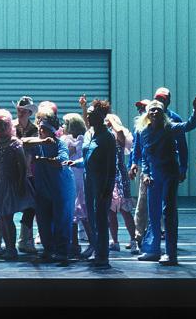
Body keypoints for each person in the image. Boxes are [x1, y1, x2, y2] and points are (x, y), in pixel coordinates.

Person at [137, 96, 196, 266]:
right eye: (152, 109)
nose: (155, 111)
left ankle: (170, 253)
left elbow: (189, 125)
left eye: (158, 109)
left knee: (168, 212)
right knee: (153, 213)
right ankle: (153, 249)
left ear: (163, 113)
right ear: (147, 114)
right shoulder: (144, 132)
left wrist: (195, 110)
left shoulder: (170, 128)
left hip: (169, 174)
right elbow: (145, 156)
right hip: (154, 177)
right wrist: (145, 173)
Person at [22, 107, 75, 265]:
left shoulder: (60, 144)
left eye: (43, 129)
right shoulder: (38, 144)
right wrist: (41, 141)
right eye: (39, 128)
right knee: (43, 221)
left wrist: (41, 160)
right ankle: (48, 250)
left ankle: (62, 251)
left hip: (61, 188)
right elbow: (22, 142)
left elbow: (61, 162)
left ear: (51, 131)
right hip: (42, 187)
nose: (40, 131)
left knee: (61, 220)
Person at [0, 109, 34, 260]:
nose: (2, 128)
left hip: (13, 183)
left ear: (9, 126)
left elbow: (23, 165)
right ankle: (9, 247)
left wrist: (21, 182)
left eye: (5, 125)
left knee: (7, 217)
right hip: (0, 183)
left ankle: (12, 248)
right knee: (3, 218)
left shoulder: (14, 143)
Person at [82, 100, 117, 268]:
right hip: (88, 179)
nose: (88, 117)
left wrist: (107, 188)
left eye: (91, 115)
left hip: (101, 182)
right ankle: (97, 251)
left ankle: (103, 255)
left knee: (101, 219)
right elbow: (87, 156)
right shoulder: (90, 134)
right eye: (88, 115)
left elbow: (111, 165)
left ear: (101, 116)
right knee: (92, 218)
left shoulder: (107, 137)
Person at [105, 112, 137, 252]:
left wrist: (111, 119)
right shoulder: (105, 136)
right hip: (108, 175)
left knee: (125, 210)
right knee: (111, 211)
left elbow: (119, 131)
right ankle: (115, 241)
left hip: (120, 176)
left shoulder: (119, 137)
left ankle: (133, 240)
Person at [11, 96, 39, 254]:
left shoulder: (35, 129)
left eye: (24, 110)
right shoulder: (10, 126)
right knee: (6, 205)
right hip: (11, 171)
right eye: (19, 110)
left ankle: (24, 239)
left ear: (29, 112)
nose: (20, 112)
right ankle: (0, 240)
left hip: (28, 172)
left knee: (30, 207)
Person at [60, 113, 91, 258]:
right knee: (72, 213)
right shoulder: (67, 139)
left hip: (78, 179)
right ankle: (74, 244)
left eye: (65, 124)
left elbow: (70, 153)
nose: (63, 126)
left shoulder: (80, 140)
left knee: (82, 212)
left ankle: (92, 242)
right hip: (70, 177)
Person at [153, 87, 191, 185]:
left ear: (168, 101)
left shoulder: (175, 119)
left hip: (169, 164)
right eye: (157, 99)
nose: (159, 102)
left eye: (162, 99)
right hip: (152, 165)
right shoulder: (148, 117)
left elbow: (182, 145)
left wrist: (183, 167)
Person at [128, 99, 150, 252]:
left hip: (157, 167)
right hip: (145, 167)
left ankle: (154, 232)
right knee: (142, 202)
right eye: (139, 108)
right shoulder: (139, 127)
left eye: (143, 108)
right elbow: (135, 148)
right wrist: (133, 163)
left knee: (155, 203)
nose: (140, 110)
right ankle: (139, 234)